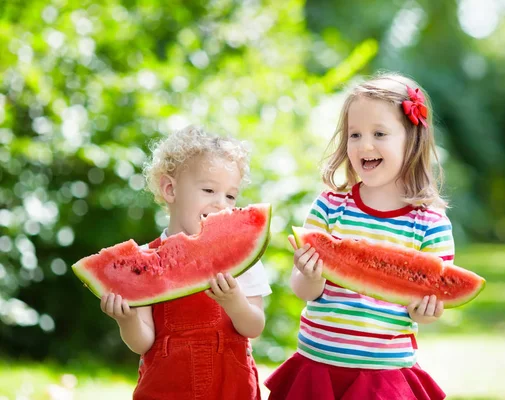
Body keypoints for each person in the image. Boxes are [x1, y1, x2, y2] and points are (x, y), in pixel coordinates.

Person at [266, 73, 454, 400]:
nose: (365, 145)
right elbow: (303, 289)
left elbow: (425, 307)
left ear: (412, 140)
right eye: (355, 135)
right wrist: (309, 274)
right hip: (318, 367)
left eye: (379, 133)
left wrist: (427, 311)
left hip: (384, 376)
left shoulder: (430, 224)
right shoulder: (329, 207)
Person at [100, 125, 271, 400]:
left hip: (230, 388)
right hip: (166, 389)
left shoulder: (243, 260)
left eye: (230, 195)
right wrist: (127, 320)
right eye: (208, 190)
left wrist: (233, 301)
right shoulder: (144, 260)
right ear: (170, 189)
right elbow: (143, 342)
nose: (221, 204)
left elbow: (254, 326)